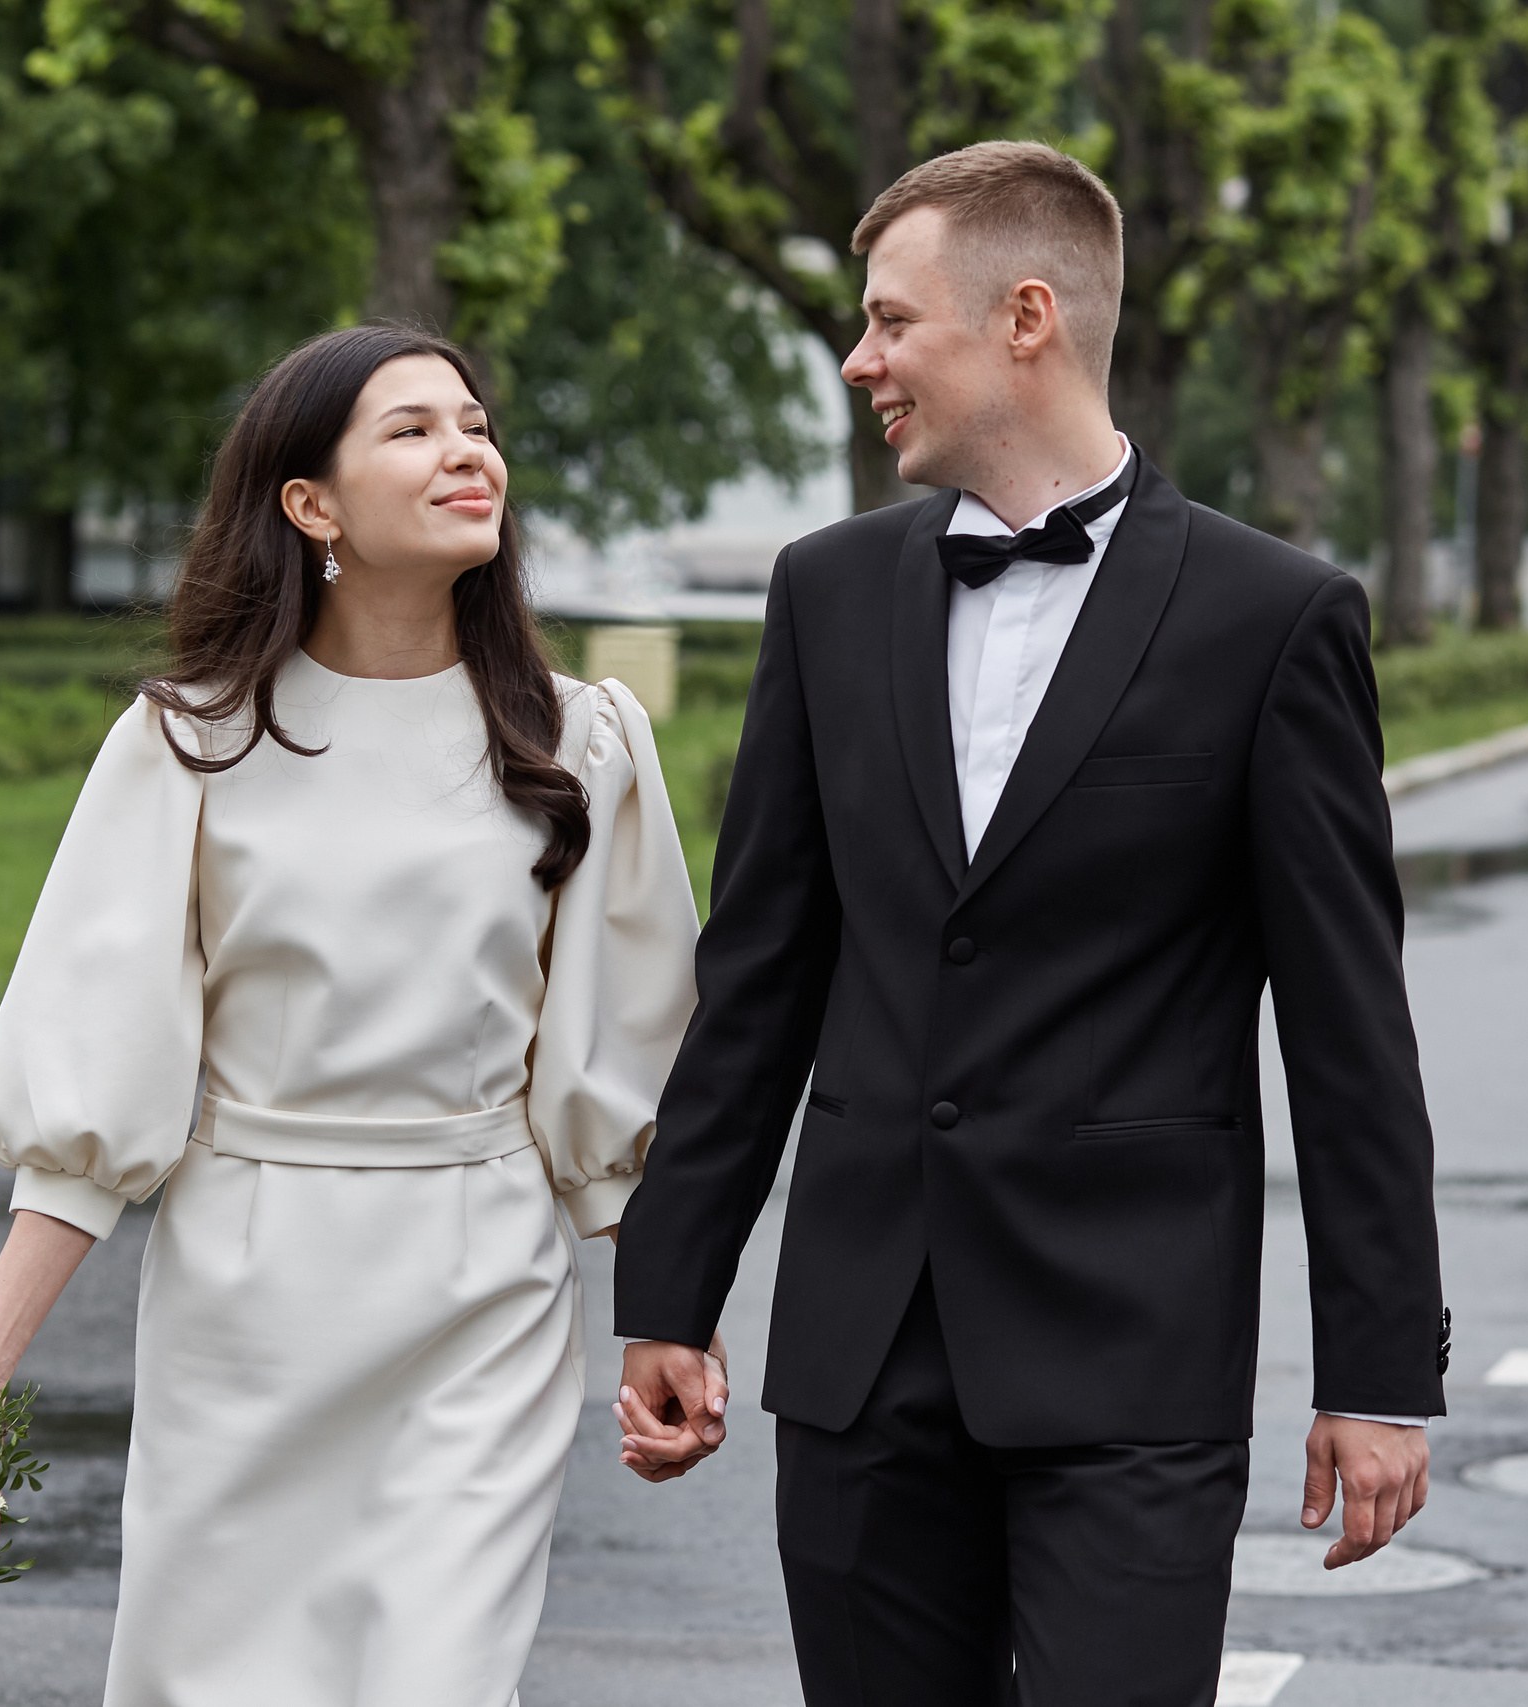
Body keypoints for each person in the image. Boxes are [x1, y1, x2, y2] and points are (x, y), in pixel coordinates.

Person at [609, 141, 1449, 1707]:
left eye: (890, 321)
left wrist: (1379, 1375)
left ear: (1026, 320)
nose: (858, 360)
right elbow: (764, 975)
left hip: (1130, 1359)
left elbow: (1350, 1037)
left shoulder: (1274, 621)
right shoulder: (825, 594)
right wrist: (671, 1290)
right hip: (860, 1358)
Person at [0, 324, 702, 1707]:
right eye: (412, 430)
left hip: (484, 1298)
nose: (467, 453)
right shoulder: (191, 740)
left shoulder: (581, 742)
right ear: (311, 504)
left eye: (475, 426)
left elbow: (621, 1064)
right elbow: (93, 1090)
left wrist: (670, 1317)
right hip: (245, 1304)